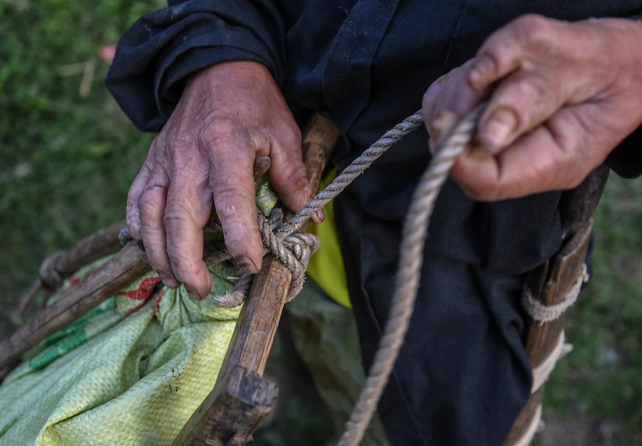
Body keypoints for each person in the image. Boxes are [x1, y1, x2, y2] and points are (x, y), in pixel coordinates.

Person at [106, 2, 642, 444]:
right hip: (275, 193)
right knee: (319, 354)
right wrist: (224, 52)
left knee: (438, 418)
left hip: (466, 275)